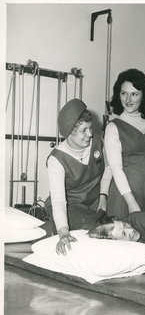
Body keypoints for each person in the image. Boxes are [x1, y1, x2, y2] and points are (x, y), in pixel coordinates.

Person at [44, 99, 112, 256]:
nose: (90, 134)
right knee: (98, 228)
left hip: (96, 201)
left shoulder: (97, 142)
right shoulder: (56, 159)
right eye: (84, 130)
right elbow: (59, 202)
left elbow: (108, 168)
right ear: (69, 132)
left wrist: (103, 196)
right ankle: (53, 228)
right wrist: (64, 233)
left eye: (90, 128)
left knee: (120, 221)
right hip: (70, 206)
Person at [104, 69, 145, 220]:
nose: (128, 99)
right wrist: (131, 203)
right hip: (124, 198)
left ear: (143, 96)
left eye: (134, 94)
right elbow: (116, 169)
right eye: (123, 93)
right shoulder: (113, 127)